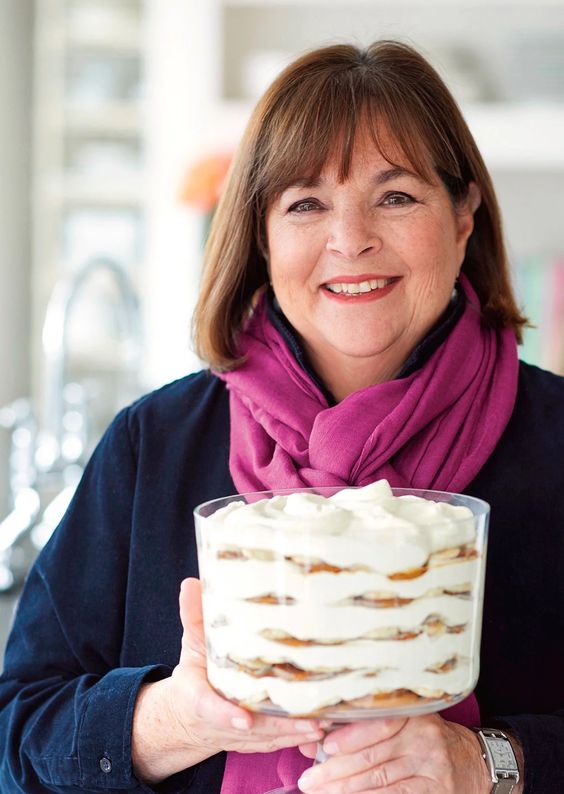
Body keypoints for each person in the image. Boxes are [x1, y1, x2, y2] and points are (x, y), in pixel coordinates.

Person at [0, 39, 563, 794]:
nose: (350, 238)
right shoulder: (153, 445)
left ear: (464, 216)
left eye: (395, 196)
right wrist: (174, 720)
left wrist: (492, 763)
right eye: (305, 204)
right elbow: (16, 732)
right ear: (260, 237)